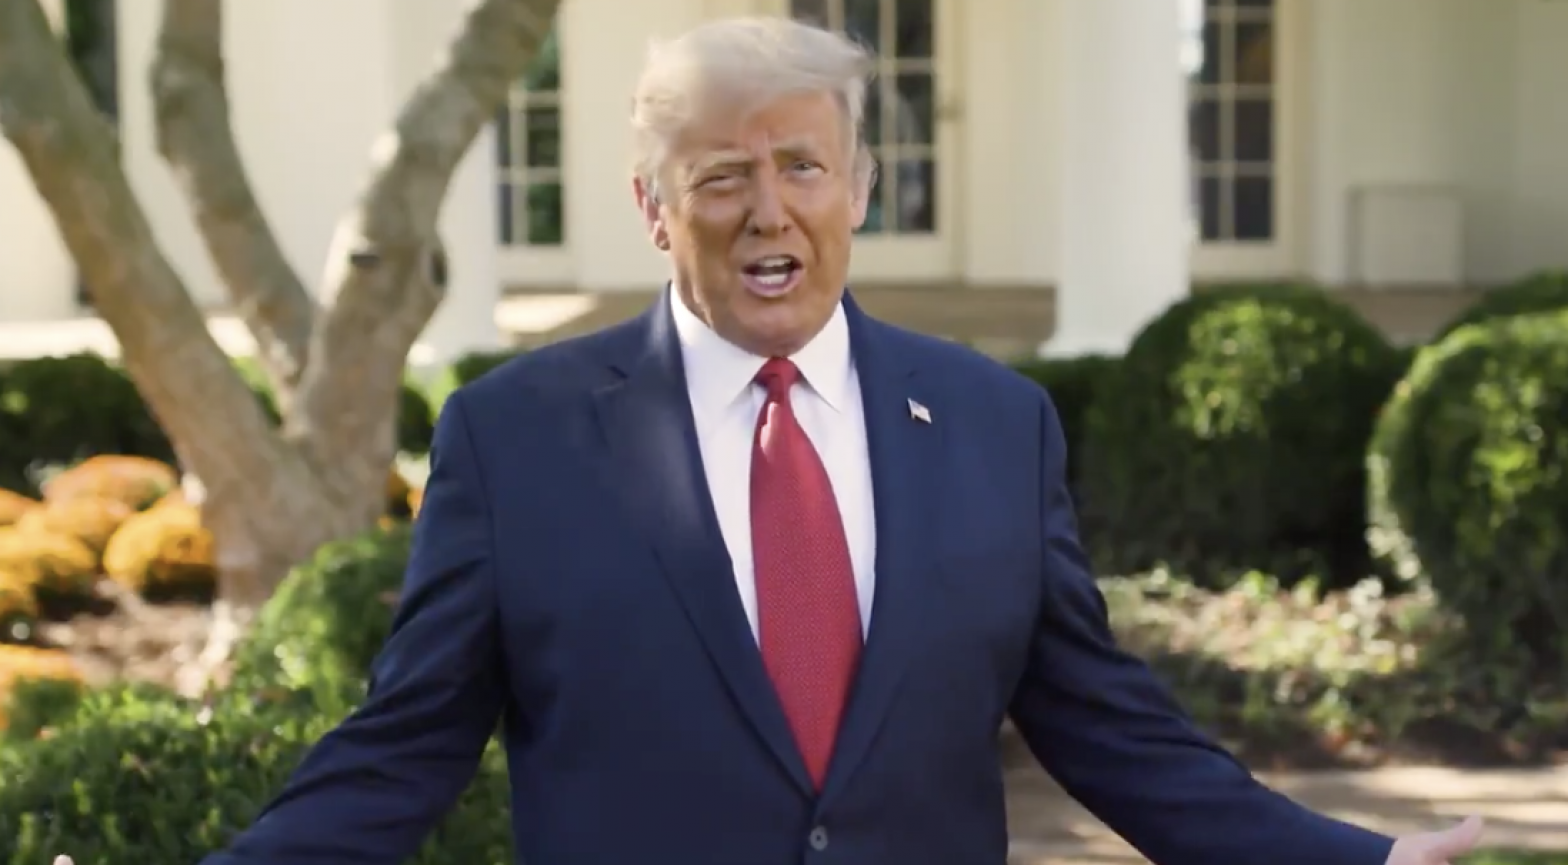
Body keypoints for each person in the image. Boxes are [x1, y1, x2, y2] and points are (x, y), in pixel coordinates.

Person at [60, 15, 1488, 865]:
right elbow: (404, 748)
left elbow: (1103, 725)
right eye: (720, 175)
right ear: (652, 206)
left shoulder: (994, 423)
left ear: (858, 185)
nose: (768, 209)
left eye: (802, 165)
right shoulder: (517, 440)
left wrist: (1348, 860)